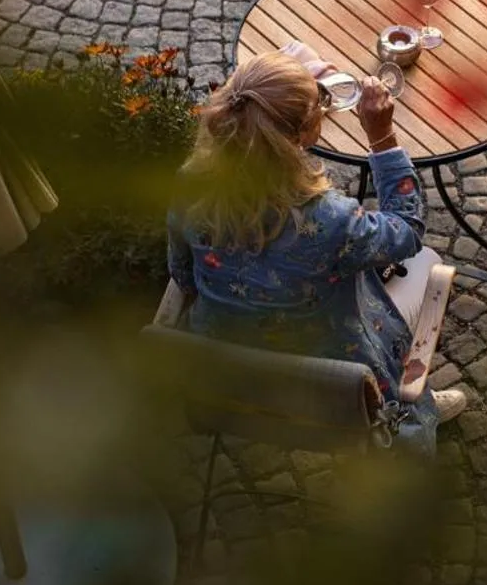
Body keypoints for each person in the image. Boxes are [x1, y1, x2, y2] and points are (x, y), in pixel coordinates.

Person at [168, 51, 470, 453]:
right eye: (318, 107)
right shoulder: (330, 221)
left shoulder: (189, 182)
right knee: (427, 264)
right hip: (335, 393)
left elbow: (183, 276)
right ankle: (416, 408)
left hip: (231, 386)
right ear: (301, 134)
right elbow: (408, 231)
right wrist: (382, 137)